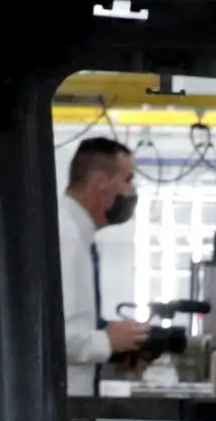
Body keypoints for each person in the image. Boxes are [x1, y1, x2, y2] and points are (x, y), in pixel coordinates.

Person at [56, 134, 150, 392]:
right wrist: (107, 341)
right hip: (60, 402)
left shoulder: (77, 235)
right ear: (100, 183)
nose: (132, 191)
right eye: (128, 179)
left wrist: (116, 347)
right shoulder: (65, 237)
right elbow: (45, 336)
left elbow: (72, 325)